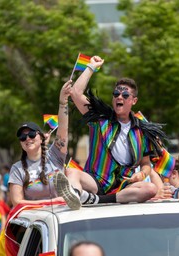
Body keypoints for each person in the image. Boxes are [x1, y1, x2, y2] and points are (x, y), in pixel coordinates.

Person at [54, 55, 168, 206]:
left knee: (150, 188)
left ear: (134, 101)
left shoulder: (142, 131)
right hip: (96, 181)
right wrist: (91, 67)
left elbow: (146, 163)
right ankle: (75, 196)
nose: (119, 97)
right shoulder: (100, 120)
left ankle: (93, 200)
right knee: (71, 172)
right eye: (116, 94)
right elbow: (75, 93)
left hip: (123, 185)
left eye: (125, 95)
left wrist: (141, 174)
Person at [8, 80, 80, 209]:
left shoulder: (54, 155)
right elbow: (17, 202)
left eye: (31, 135)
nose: (27, 139)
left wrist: (63, 102)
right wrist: (52, 202)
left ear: (41, 138)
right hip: (37, 220)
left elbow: (63, 128)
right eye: (22, 137)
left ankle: (82, 195)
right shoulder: (17, 169)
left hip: (65, 215)